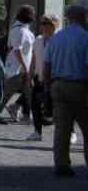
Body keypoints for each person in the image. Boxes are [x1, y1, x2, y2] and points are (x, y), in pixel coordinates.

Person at [44, 5, 88, 178]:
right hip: (79, 86)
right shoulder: (85, 38)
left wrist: (47, 87)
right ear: (83, 18)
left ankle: (61, 164)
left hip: (58, 85)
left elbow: (47, 65)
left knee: (62, 128)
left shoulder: (56, 38)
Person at [0, 5, 36, 124]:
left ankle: (34, 116)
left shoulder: (20, 29)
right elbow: (17, 50)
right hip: (18, 69)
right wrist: (26, 68)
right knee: (9, 93)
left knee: (28, 93)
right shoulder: (21, 31)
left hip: (19, 68)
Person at [29, 14, 59, 142]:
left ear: (55, 25)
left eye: (48, 24)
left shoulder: (59, 40)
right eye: (43, 24)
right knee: (35, 105)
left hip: (55, 78)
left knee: (58, 107)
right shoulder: (38, 40)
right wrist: (30, 74)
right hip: (39, 77)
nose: (45, 27)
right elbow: (34, 58)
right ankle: (37, 132)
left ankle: (70, 132)